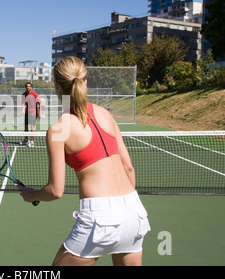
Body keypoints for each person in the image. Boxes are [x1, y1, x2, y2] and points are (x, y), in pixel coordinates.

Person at [18, 57, 150, 266]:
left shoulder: (58, 130)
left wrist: (31, 195)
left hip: (100, 218)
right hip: (134, 211)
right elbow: (128, 168)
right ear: (85, 81)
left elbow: (55, 191)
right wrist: (123, 208)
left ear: (56, 85)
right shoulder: (106, 114)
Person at [20, 82, 41, 147]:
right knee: (26, 127)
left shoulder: (34, 94)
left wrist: (39, 112)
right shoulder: (24, 95)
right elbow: (23, 103)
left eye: (29, 86)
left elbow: (40, 103)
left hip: (33, 113)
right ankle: (26, 139)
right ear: (25, 87)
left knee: (32, 127)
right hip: (27, 113)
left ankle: (32, 141)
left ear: (31, 87)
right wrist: (23, 109)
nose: (28, 87)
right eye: (27, 86)